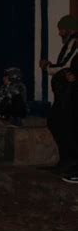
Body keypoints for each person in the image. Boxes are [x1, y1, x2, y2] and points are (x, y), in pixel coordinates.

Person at [39, 15, 78, 171]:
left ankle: (70, 161)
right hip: (65, 94)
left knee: (62, 124)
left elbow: (65, 66)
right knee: (59, 123)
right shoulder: (70, 42)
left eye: (61, 30)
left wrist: (47, 67)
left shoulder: (74, 42)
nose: (60, 33)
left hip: (69, 95)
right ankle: (66, 161)